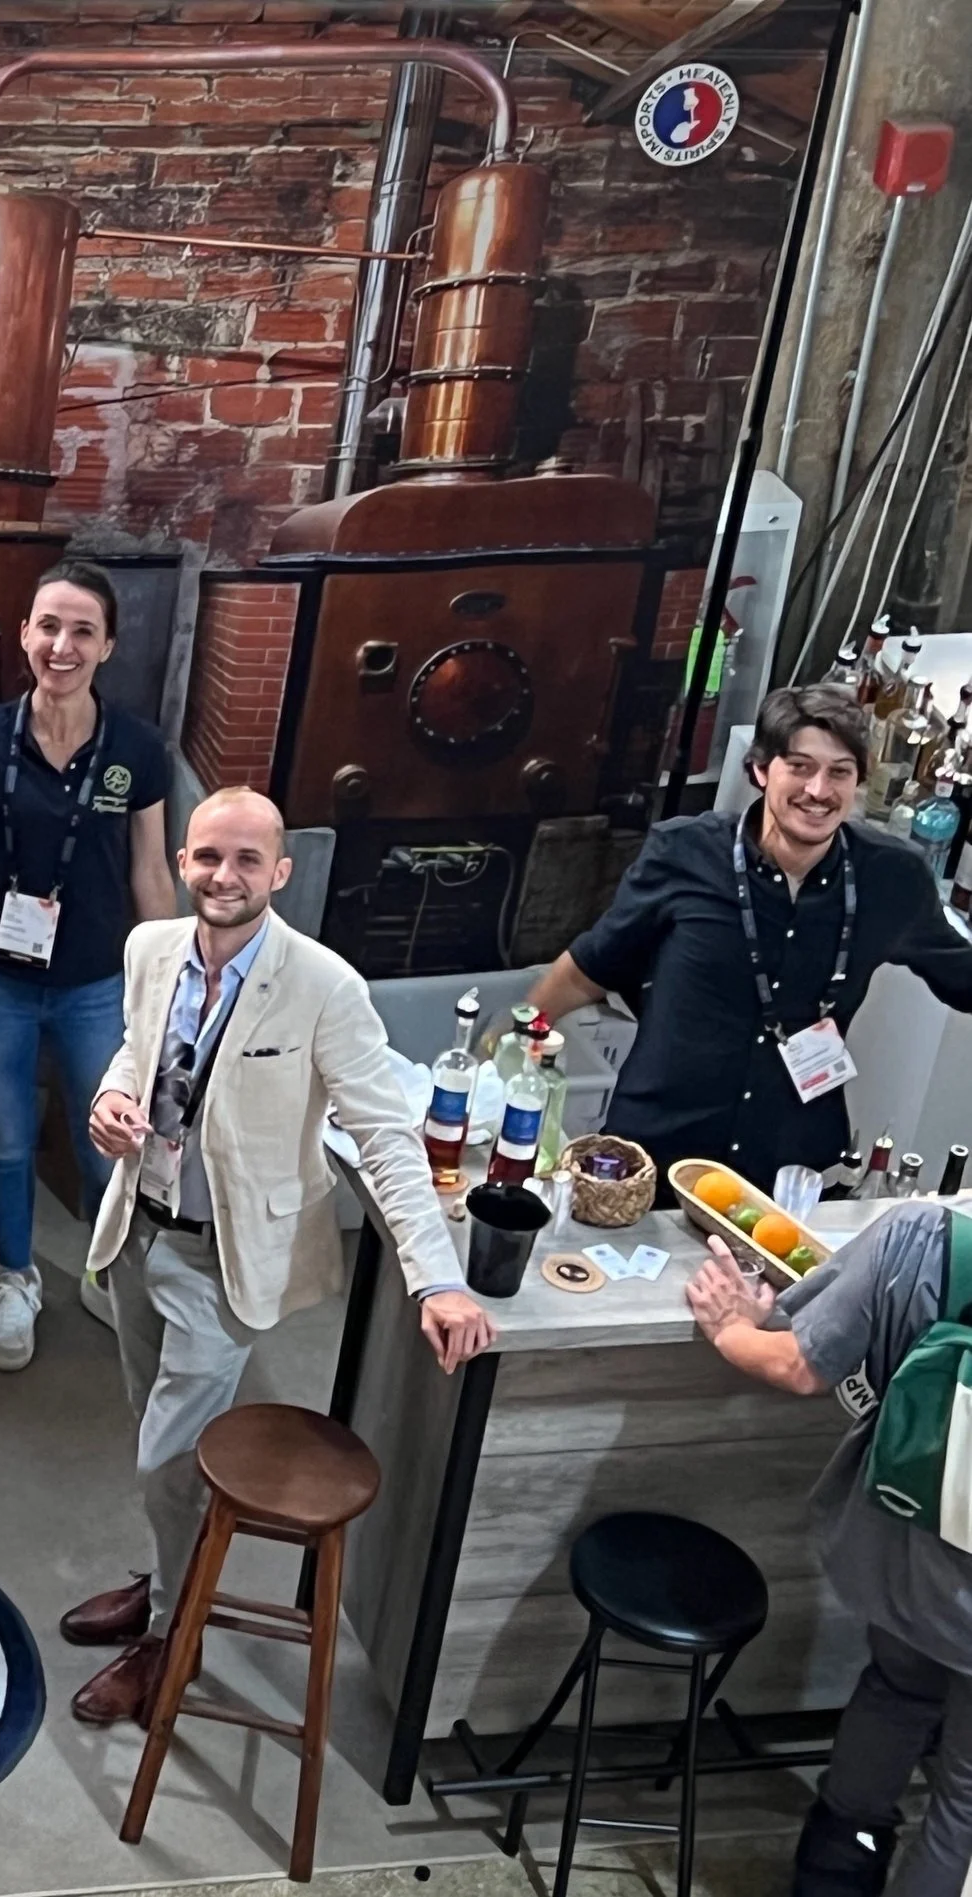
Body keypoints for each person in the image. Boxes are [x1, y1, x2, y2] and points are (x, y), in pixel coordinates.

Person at [61, 788, 498, 1724]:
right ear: (183, 860)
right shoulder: (150, 950)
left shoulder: (326, 985)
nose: (226, 876)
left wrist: (438, 1276)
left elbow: (385, 1135)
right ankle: (165, 1574)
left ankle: (171, 1633)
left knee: (166, 1462)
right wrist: (111, 1097)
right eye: (209, 857)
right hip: (137, 1232)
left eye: (247, 860)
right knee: (160, 1445)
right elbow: (139, 1055)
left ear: (281, 873)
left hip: (228, 1261)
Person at [0, 572, 180, 1372]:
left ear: (108, 646)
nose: (63, 645)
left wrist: (171, 985)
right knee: (10, 1141)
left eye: (83, 630)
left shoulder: (136, 748)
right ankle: (16, 1279)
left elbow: (151, 874)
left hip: (96, 982)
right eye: (48, 626)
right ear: (24, 634)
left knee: (106, 1143)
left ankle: (99, 1263)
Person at [524, 684, 972, 1185]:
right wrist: (508, 1045)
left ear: (859, 782)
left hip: (790, 1168)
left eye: (839, 772)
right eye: (799, 766)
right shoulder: (684, 853)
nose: (819, 791)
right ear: (761, 769)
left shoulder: (892, 878)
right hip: (654, 1157)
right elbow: (588, 969)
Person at [687, 1205, 972, 1897]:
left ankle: (833, 1875)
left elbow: (799, 1364)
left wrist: (730, 1327)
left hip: (908, 1545)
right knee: (964, 1804)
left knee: (897, 1687)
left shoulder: (925, 1239)